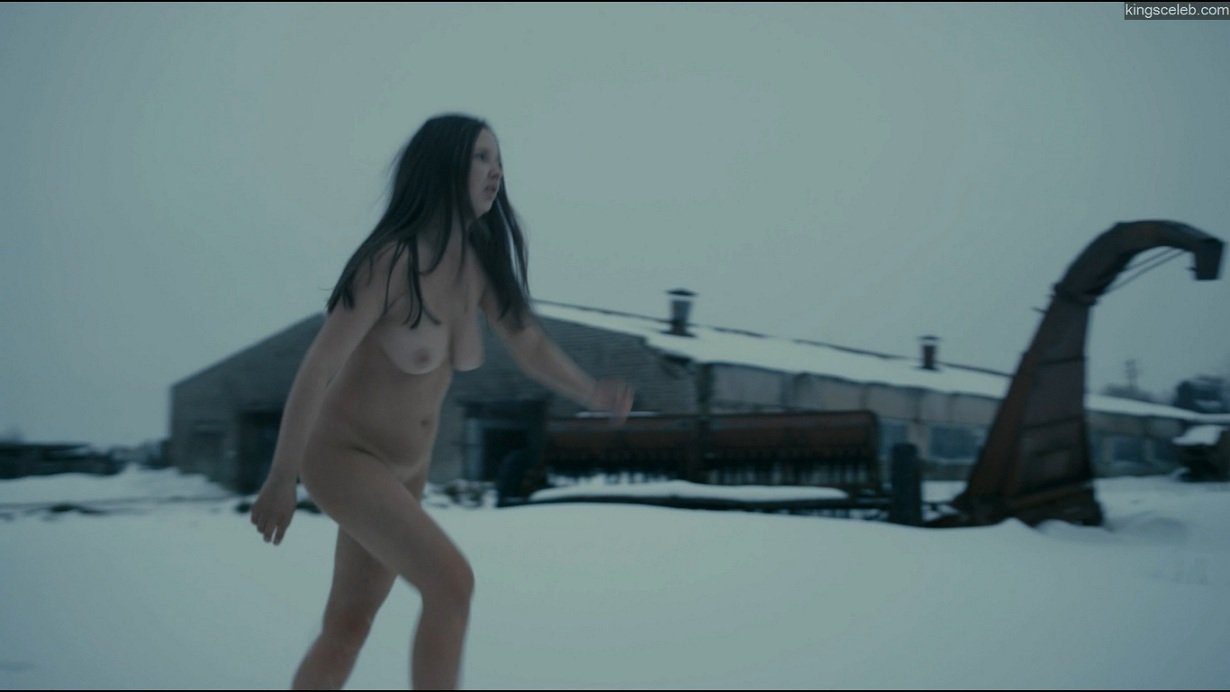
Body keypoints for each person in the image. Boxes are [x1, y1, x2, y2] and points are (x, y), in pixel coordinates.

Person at [249, 113, 635, 690]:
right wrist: (282, 477)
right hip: (346, 459)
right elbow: (318, 368)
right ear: (442, 165)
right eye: (481, 157)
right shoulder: (390, 261)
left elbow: (529, 344)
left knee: (347, 627)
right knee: (451, 583)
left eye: (499, 160)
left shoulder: (479, 266)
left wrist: (590, 391)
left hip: (407, 470)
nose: (495, 171)